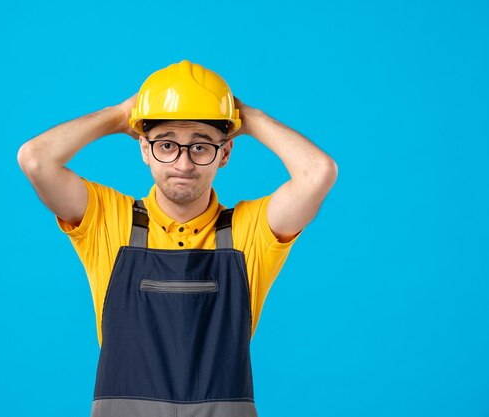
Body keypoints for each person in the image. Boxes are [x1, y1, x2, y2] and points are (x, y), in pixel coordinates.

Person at [17, 59, 338, 417]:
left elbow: (317, 173)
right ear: (144, 148)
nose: (183, 165)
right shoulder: (109, 220)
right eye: (166, 145)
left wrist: (247, 116)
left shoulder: (250, 232)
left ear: (225, 153)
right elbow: (35, 160)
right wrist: (119, 114)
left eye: (201, 147)